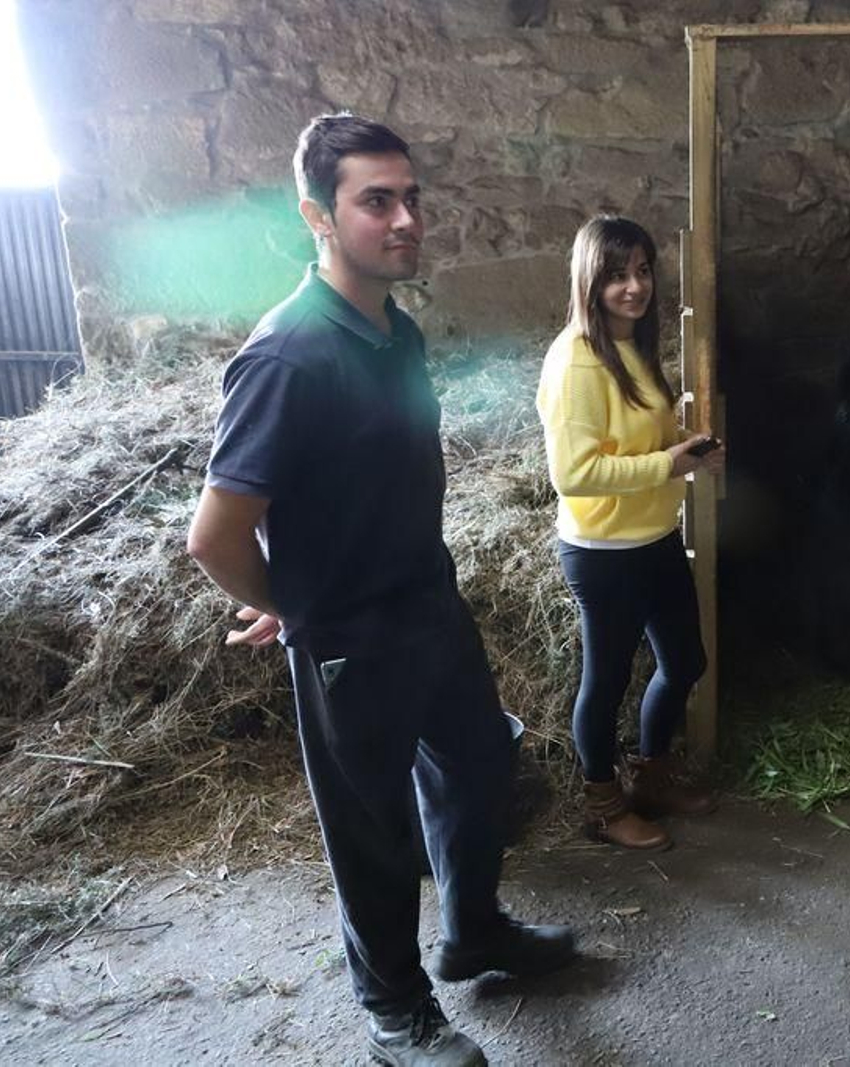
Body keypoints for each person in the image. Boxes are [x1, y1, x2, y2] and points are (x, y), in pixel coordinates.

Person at [186, 113, 576, 1067]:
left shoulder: (392, 329)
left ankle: (473, 930)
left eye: (412, 198)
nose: (406, 219)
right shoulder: (289, 355)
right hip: (352, 639)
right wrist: (294, 604)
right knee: (371, 829)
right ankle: (395, 1010)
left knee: (481, 763)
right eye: (377, 201)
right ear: (319, 215)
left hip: (430, 606)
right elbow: (215, 535)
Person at [536, 215, 723, 851]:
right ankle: (604, 807)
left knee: (685, 662)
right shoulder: (577, 363)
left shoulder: (633, 349)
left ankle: (651, 777)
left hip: (652, 535)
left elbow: (640, 438)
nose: (634, 287)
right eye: (617, 275)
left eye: (642, 271)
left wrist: (688, 449)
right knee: (607, 681)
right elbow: (575, 474)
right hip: (603, 551)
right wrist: (670, 464)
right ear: (590, 280)